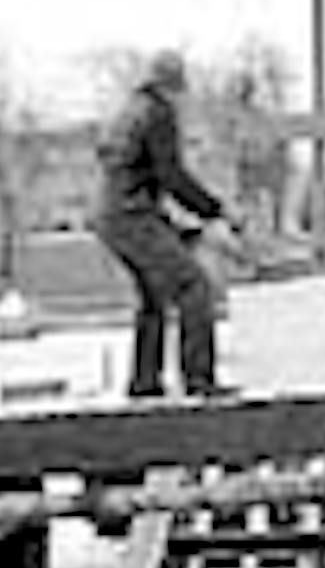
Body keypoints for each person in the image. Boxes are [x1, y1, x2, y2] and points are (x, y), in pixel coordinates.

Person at [93, 48, 246, 401]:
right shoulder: (158, 113)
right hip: (132, 216)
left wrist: (186, 231)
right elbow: (171, 176)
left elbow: (137, 178)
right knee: (194, 287)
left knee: (153, 296)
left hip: (112, 217)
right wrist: (217, 211)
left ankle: (145, 384)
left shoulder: (129, 110)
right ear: (175, 86)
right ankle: (200, 384)